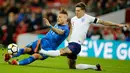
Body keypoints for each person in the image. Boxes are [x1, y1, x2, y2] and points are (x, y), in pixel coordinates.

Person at [39, 2, 129, 70]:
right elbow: (72, 31)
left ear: (83, 11)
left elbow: (103, 22)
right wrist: (68, 38)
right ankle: (95, 67)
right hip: (71, 44)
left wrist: (118, 25)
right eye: (75, 11)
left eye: (78, 11)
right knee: (72, 67)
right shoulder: (73, 19)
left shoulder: (88, 18)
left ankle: (41, 50)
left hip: (76, 45)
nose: (76, 13)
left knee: (60, 52)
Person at [4, 8, 70, 65]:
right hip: (41, 41)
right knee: (25, 49)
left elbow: (60, 32)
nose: (58, 18)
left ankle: (18, 63)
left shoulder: (66, 29)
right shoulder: (57, 23)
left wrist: (50, 26)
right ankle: (10, 56)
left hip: (48, 48)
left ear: (65, 18)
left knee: (35, 56)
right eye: (58, 17)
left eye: (60, 17)